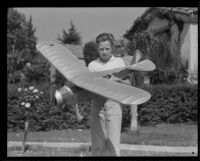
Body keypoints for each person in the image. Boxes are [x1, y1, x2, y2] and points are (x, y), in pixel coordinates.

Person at [87, 33, 128, 156]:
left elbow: (129, 83)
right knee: (97, 144)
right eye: (101, 49)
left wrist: (117, 80)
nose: (104, 52)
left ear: (112, 48)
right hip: (96, 104)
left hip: (113, 103)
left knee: (113, 144)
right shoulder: (92, 65)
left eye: (107, 49)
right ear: (97, 49)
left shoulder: (119, 62)